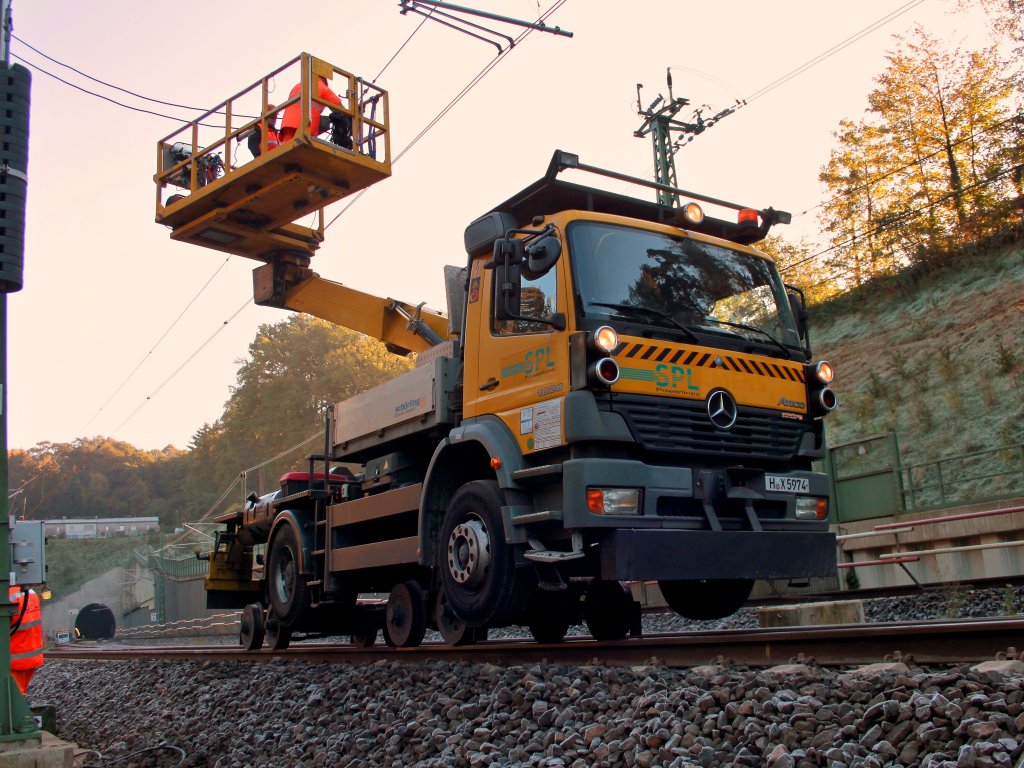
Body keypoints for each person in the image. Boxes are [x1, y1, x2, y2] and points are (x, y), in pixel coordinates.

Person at [279, 76, 352, 148]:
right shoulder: (321, 86)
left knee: (288, 150)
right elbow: (339, 108)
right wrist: (350, 116)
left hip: (287, 123)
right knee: (304, 151)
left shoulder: (298, 86)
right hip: (305, 125)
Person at [9, 585, 43, 697]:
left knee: (14, 697)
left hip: (15, 659)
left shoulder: (7, 595)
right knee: (19, 694)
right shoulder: (31, 592)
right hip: (31, 655)